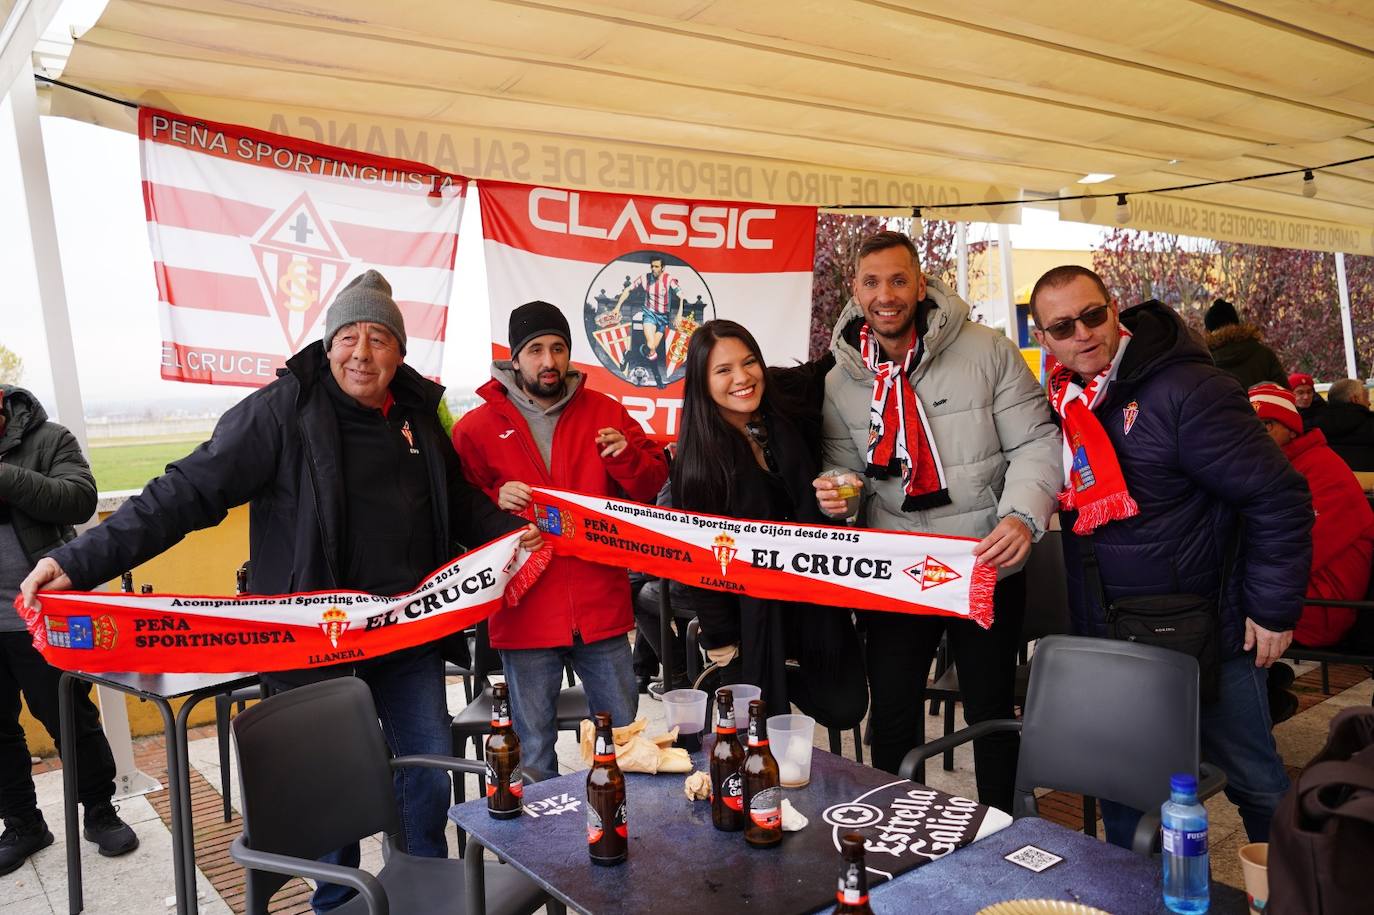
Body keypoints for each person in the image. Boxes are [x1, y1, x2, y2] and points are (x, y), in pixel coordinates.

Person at [20, 271, 538, 912]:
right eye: (349, 336)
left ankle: (419, 890)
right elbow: (185, 492)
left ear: (400, 351)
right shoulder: (282, 410)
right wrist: (77, 562)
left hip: (407, 640)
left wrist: (511, 534)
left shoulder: (417, 416)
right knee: (330, 808)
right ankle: (335, 904)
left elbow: (457, 505)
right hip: (311, 649)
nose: (363, 352)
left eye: (379, 338)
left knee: (426, 784)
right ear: (328, 346)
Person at [1030, 265, 1312, 845]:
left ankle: (1294, 893)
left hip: (1208, 635)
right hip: (1114, 637)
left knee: (1256, 785)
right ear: (1044, 339)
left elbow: (1278, 497)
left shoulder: (1187, 389)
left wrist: (1275, 609)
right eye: (1063, 326)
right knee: (1127, 793)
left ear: (1114, 308)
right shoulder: (1067, 401)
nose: (1082, 333)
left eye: (1092, 315)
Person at [814, 230, 1060, 812]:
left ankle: (1005, 831)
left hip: (984, 560)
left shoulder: (988, 350)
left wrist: (1024, 516)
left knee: (991, 712)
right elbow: (845, 472)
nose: (886, 295)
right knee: (894, 714)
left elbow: (1037, 440)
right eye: (872, 282)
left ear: (921, 284)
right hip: (898, 569)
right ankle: (902, 835)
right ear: (855, 290)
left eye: (899, 279)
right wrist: (839, 497)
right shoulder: (840, 379)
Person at [451, 300, 667, 779]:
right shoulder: (475, 429)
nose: (548, 361)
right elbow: (457, 511)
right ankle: (538, 852)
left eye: (558, 348)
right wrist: (493, 494)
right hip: (524, 614)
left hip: (602, 612)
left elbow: (652, 486)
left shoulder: (606, 412)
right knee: (532, 753)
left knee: (625, 742)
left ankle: (623, 840)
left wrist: (624, 457)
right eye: (535, 350)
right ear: (514, 357)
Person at [672, 319, 866, 728]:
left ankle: (793, 677)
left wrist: (840, 502)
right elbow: (700, 564)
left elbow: (834, 356)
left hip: (814, 601)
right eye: (723, 370)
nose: (742, 378)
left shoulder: (786, 405)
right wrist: (723, 644)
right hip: (751, 618)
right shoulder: (698, 462)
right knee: (759, 742)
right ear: (701, 382)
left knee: (846, 707)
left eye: (749, 362)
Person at [0, 387, 139, 874]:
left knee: (67, 716)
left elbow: (78, 500)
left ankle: (99, 810)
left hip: (41, 614)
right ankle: (21, 821)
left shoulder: (49, 439)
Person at [1249, 383, 1374, 650]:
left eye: (1266, 425)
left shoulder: (1320, 468)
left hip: (1320, 610)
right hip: (1291, 595)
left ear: (1291, 428)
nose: (1255, 435)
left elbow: (1299, 552)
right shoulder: (1282, 465)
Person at [1203, 298, 1287, 390]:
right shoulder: (1264, 354)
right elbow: (1284, 394)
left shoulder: (1204, 363)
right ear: (1237, 324)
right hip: (1259, 404)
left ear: (1208, 330)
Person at [612, 255, 682, 364]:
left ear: (663, 268)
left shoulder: (669, 279)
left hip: (663, 318)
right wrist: (617, 306)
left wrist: (679, 315)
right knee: (650, 345)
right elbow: (628, 290)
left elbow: (681, 296)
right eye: (652, 266)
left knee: (651, 349)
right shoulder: (644, 278)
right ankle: (650, 364)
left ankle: (629, 354)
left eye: (657, 266)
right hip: (650, 314)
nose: (653, 269)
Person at [1310, 378, 1374, 472]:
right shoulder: (1370, 424)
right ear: (1355, 399)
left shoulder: (1314, 427)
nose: (1368, 403)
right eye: (1365, 397)